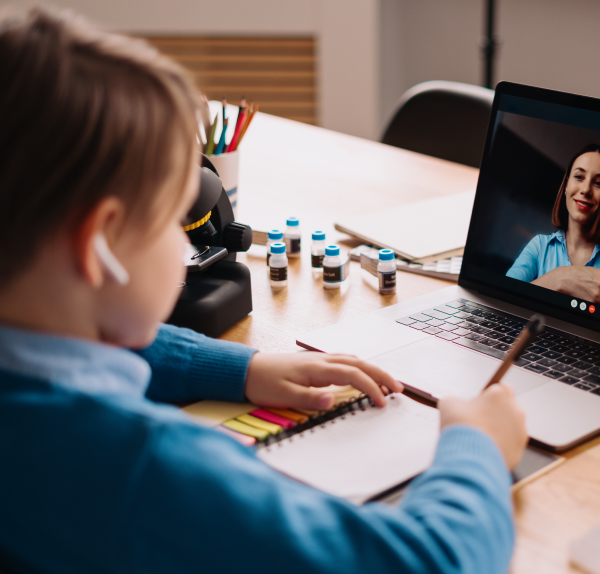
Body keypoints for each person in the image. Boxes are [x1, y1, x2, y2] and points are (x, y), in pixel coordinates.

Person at [0, 8, 527, 574]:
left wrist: (241, 369)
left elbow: (65, 353)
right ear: (98, 243)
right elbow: (426, 564)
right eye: (174, 221)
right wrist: (479, 449)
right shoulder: (146, 472)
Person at [506, 144, 600, 313]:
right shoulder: (539, 247)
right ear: (566, 185)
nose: (586, 189)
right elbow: (504, 297)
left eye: (598, 183)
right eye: (579, 177)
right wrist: (560, 280)